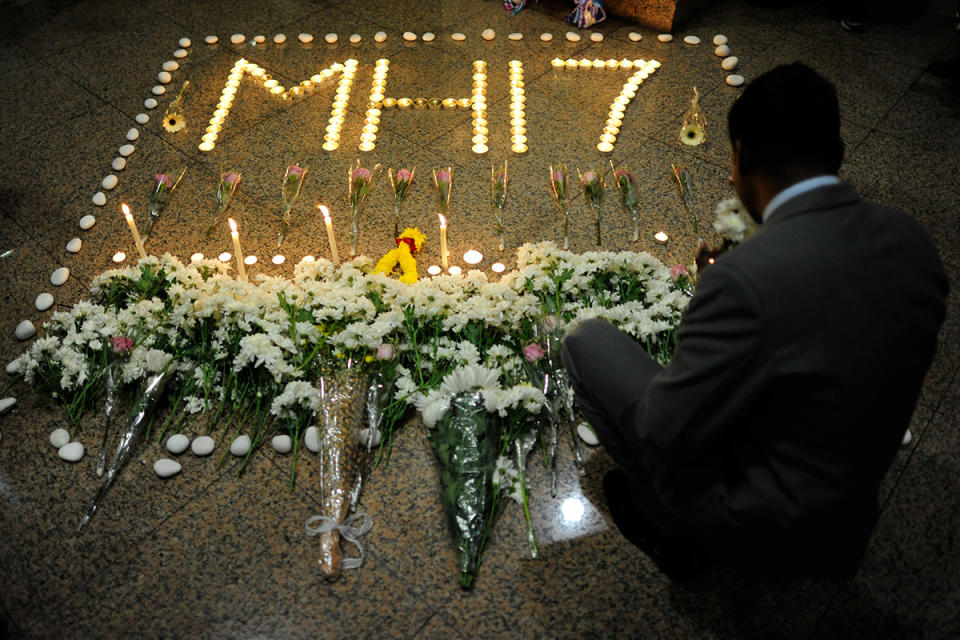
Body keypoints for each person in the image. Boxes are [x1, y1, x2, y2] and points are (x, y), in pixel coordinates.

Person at [562, 63, 948, 580]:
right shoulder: (913, 241)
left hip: (762, 525)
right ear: (833, 150)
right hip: (849, 511)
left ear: (740, 155)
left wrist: (714, 302)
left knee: (587, 343)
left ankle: (674, 526)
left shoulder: (746, 279)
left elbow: (663, 428)